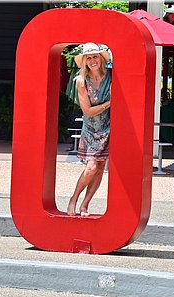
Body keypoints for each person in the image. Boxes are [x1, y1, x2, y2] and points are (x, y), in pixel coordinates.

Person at [67, 43, 113, 216]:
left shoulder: (112, 76)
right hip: (91, 129)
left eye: (95, 57)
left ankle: (85, 205)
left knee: (100, 167)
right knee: (92, 166)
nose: (93, 60)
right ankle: (73, 199)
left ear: (101, 59)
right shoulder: (81, 81)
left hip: (108, 126)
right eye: (89, 58)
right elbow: (87, 111)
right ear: (85, 61)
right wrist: (109, 103)